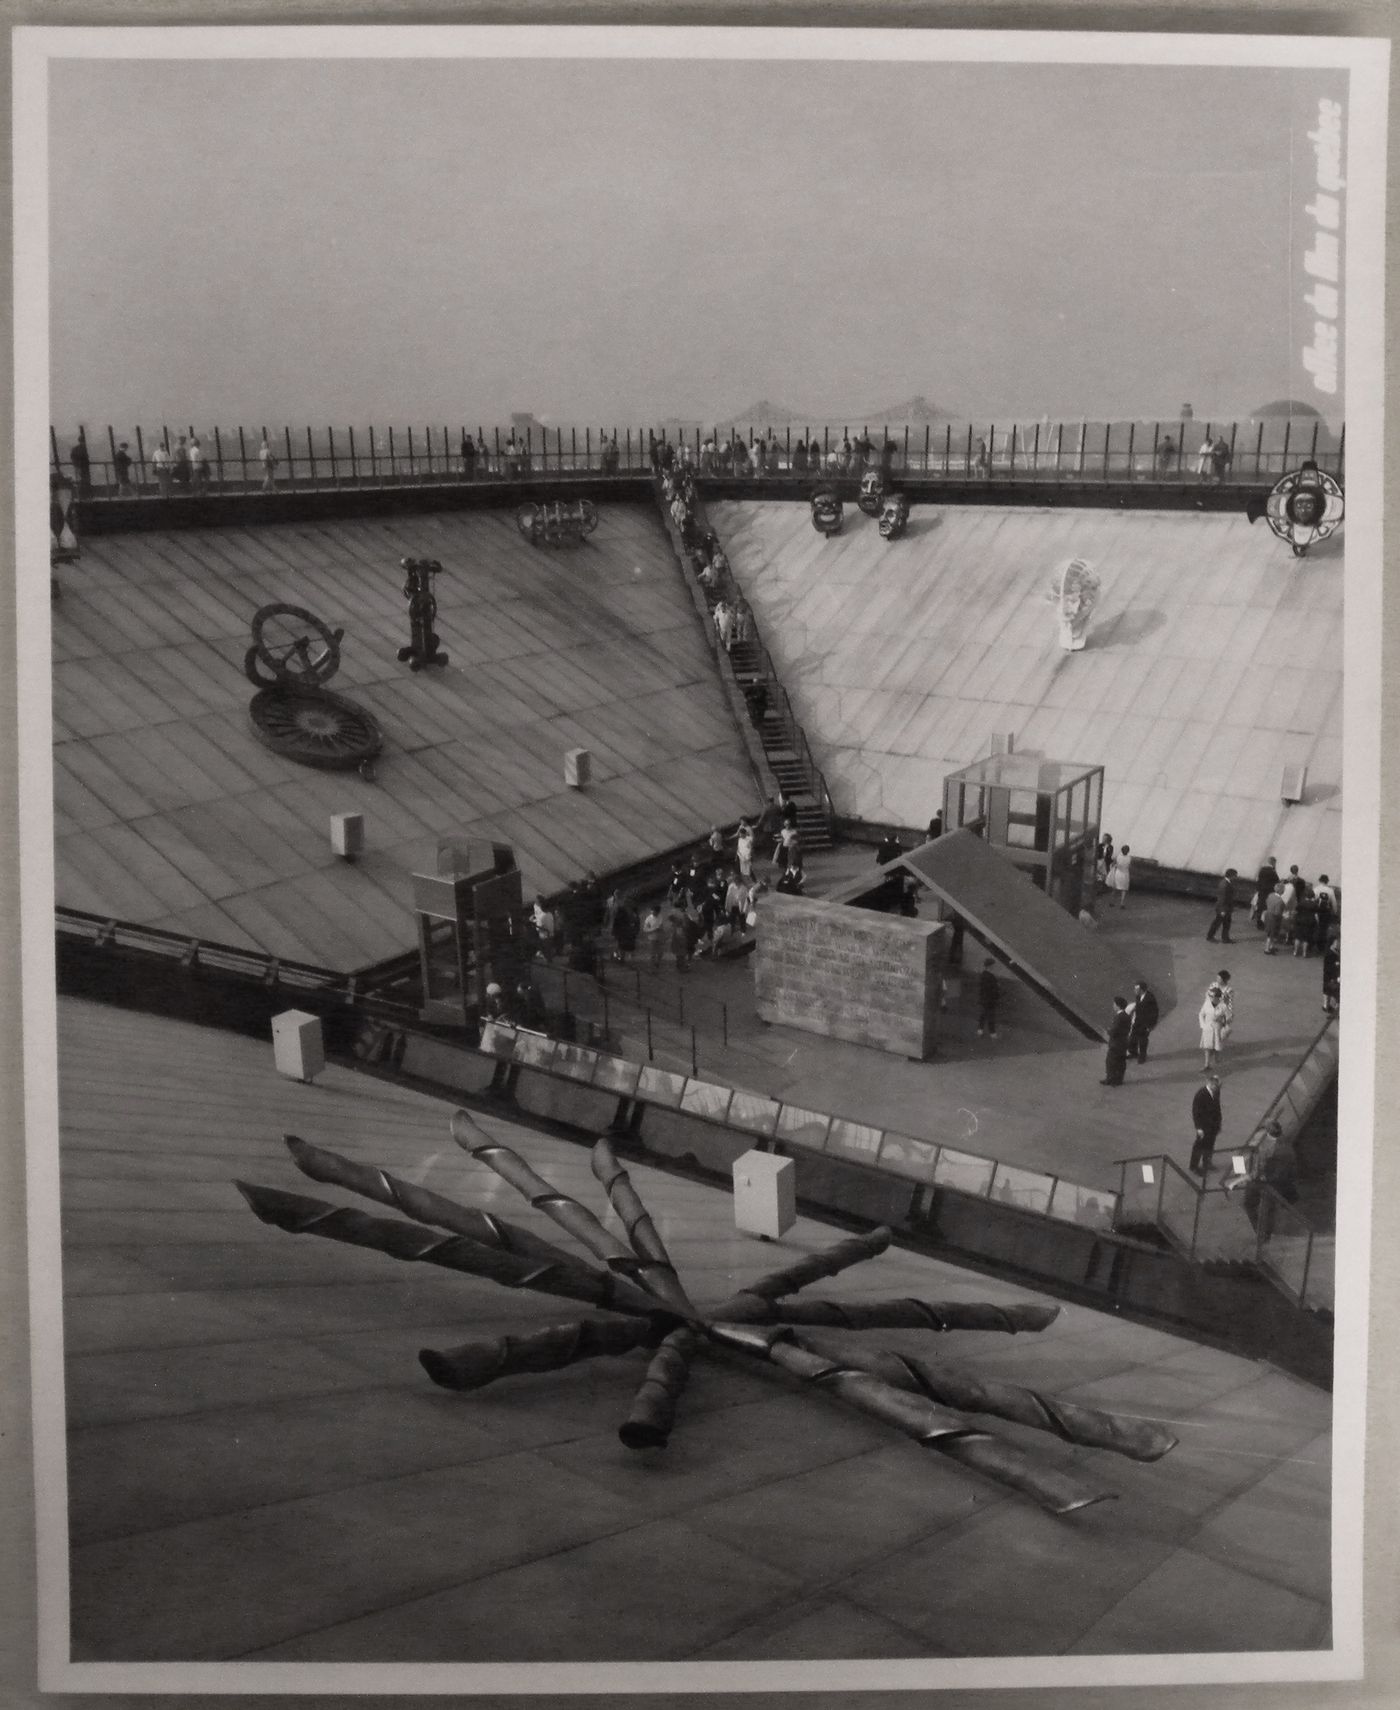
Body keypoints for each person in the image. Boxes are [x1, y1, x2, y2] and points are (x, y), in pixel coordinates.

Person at [1189, 1073, 1224, 1175]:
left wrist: (1219, 1123)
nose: (1218, 1089)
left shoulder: (1216, 1092)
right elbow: (1196, 1112)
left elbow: (1217, 1108)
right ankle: (1194, 1166)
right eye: (1217, 1086)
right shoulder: (1201, 1095)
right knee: (1199, 1146)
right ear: (1211, 1084)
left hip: (1213, 1126)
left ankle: (1207, 1162)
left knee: (1210, 1144)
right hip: (1204, 1126)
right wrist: (1198, 1128)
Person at [1101, 996, 1132, 1086]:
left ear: (1118, 1005)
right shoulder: (1126, 1016)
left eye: (1114, 1004)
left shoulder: (1119, 1017)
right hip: (1123, 1042)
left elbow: (1115, 1031)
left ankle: (1110, 1079)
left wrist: (1108, 1031)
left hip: (1116, 1043)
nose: (1113, 1006)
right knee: (1121, 1062)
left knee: (1111, 1062)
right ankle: (1118, 1079)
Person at [1127, 980, 1159, 1063]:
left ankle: (1142, 1056)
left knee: (1142, 1040)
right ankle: (1133, 1052)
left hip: (1145, 1024)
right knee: (1132, 1038)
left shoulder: (1150, 999)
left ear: (1141, 990)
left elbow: (1154, 1013)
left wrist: (1150, 1026)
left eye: (1136, 989)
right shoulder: (1138, 996)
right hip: (1138, 1021)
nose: (1134, 991)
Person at [1198, 982, 1228, 1071]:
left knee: (1216, 1046)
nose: (1210, 998)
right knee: (1207, 1047)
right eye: (1210, 996)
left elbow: (1227, 1017)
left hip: (1217, 1029)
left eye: (1212, 996)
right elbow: (1201, 1014)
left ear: (1218, 997)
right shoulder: (1207, 1003)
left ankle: (1217, 1059)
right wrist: (1202, 1025)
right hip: (1207, 1028)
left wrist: (1222, 1023)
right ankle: (1207, 1064)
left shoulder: (1223, 1006)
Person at [1206, 868, 1238, 943]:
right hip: (1224, 908)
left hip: (1225, 908)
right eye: (1235, 875)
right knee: (1218, 923)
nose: (1236, 877)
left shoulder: (1225, 882)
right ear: (1231, 875)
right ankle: (1211, 936)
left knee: (1226, 923)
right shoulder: (1225, 884)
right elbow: (1222, 898)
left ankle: (1225, 938)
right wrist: (1222, 910)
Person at [611, 896, 639, 965]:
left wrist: (635, 929)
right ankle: (619, 958)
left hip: (627, 931)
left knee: (624, 946)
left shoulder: (633, 911)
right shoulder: (621, 911)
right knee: (620, 946)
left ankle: (622, 958)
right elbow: (616, 921)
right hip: (621, 931)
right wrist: (614, 931)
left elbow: (636, 921)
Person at [977, 957, 1000, 1038]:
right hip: (990, 999)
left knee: (983, 1014)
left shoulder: (983, 975)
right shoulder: (991, 976)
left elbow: (982, 988)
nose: (994, 967)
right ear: (990, 966)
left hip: (984, 998)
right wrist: (997, 988)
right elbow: (993, 988)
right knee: (991, 1016)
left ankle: (980, 1030)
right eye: (993, 965)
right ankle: (992, 1033)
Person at [1253, 855, 1279, 928]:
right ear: (1273, 862)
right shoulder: (1272, 871)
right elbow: (1276, 881)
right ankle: (1263, 923)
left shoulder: (1262, 869)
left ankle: (1259, 922)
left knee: (1260, 907)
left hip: (1261, 891)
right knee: (1266, 908)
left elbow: (1258, 881)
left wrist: (1258, 890)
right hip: (1269, 892)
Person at [1262, 882, 1286, 954]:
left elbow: (1266, 902)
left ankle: (1271, 947)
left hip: (1268, 914)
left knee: (1270, 933)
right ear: (1281, 891)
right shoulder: (1280, 901)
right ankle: (1267, 949)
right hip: (1274, 918)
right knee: (1272, 934)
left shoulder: (1271, 895)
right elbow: (1277, 912)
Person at [642, 903, 666, 971]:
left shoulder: (660, 916)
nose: (653, 912)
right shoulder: (648, 919)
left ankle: (657, 963)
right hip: (652, 939)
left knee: (660, 953)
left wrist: (663, 932)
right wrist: (654, 929)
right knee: (652, 954)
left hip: (660, 938)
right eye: (652, 911)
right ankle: (651, 969)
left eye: (656, 911)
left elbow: (662, 926)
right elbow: (645, 929)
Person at [1108, 843, 1132, 910]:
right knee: (1124, 889)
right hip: (1125, 874)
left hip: (1118, 873)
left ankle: (1111, 901)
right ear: (1128, 851)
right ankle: (1122, 903)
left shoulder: (1118, 856)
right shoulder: (1129, 858)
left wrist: (1114, 867)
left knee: (1115, 888)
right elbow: (1129, 866)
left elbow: (1113, 864)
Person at [1322, 937, 1341, 1015]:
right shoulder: (1330, 954)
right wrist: (1335, 977)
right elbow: (1329, 967)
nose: (1338, 944)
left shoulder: (1334, 952)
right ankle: (1335, 1008)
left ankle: (1326, 1006)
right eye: (1336, 942)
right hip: (1331, 977)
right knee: (1335, 992)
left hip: (1329, 976)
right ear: (1332, 944)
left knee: (1327, 991)